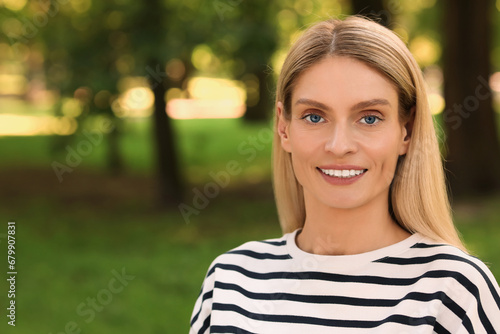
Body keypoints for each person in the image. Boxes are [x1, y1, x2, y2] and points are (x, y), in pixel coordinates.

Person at [190, 16, 500, 333]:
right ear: (284, 127)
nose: (339, 146)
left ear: (405, 130)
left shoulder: (454, 293)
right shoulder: (230, 281)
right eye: (314, 116)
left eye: (369, 118)